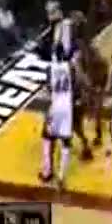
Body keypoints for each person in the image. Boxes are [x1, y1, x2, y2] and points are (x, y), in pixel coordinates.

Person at [39, 44, 74, 189]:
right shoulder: (70, 67)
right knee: (66, 142)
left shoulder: (50, 68)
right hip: (67, 107)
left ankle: (47, 172)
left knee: (46, 137)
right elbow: (75, 83)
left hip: (56, 106)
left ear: (54, 54)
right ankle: (61, 177)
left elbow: (48, 88)